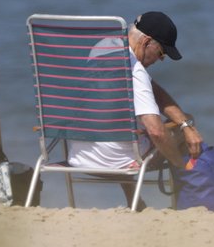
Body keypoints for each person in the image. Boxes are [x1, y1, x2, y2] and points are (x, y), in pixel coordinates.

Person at [68, 12, 203, 208]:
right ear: (147, 41)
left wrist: (184, 123)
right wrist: (181, 162)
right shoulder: (135, 71)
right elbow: (156, 132)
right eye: (161, 53)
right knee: (172, 131)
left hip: (78, 156)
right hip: (118, 163)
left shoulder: (102, 48)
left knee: (124, 126)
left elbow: (152, 89)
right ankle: (186, 199)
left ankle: (134, 201)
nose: (161, 59)